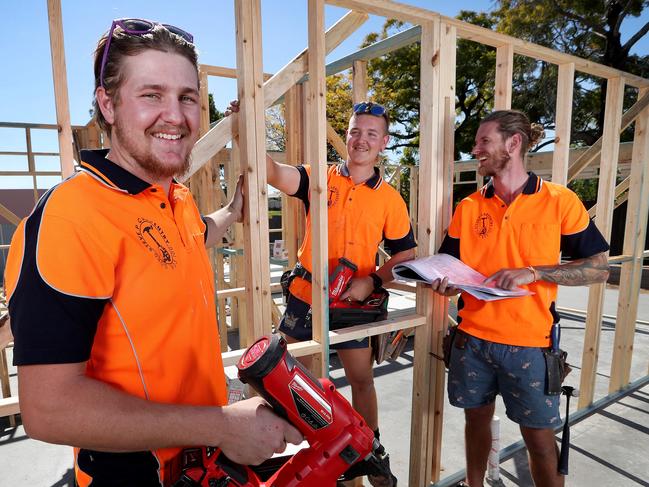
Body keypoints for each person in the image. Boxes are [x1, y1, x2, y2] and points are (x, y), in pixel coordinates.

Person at [5, 19, 301, 487]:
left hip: (202, 464)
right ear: (107, 103)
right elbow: (48, 409)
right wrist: (224, 424)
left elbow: (194, 236)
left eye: (187, 97)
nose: (175, 115)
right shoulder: (71, 218)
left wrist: (231, 211)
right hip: (138, 475)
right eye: (151, 95)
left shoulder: (173, 199)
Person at [430, 110, 610, 487]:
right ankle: (473, 484)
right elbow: (450, 264)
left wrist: (535, 271)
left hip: (530, 346)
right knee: (475, 420)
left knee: (541, 441)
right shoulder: (469, 207)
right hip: (472, 340)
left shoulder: (560, 201)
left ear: (513, 143)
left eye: (484, 141)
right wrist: (445, 282)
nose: (476, 149)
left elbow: (597, 269)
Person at [266, 101, 417, 486]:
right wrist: (243, 125)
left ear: (383, 142)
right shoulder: (320, 178)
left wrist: (375, 281)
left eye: (370, 134)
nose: (360, 140)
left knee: (361, 378)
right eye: (354, 131)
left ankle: (369, 453)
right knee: (296, 380)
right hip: (306, 295)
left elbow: (406, 253)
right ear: (346, 135)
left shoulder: (390, 199)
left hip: (353, 301)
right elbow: (273, 173)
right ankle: (317, 452)